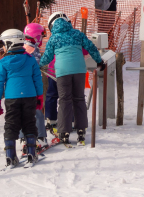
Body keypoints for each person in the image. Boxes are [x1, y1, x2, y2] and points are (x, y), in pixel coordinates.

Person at [40, 13, 105, 145]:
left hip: (62, 71)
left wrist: (38, 65)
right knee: (79, 99)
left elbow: (47, 57)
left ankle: (64, 132)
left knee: (64, 100)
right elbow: (91, 47)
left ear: (52, 26)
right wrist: (99, 61)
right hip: (79, 70)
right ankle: (81, 130)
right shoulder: (77, 34)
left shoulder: (54, 38)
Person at [0, 29, 43, 166]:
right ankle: (32, 153)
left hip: (12, 97)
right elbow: (37, 79)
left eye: (4, 44)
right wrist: (39, 96)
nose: (3, 47)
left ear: (10, 43)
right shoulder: (30, 59)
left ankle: (10, 156)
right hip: (29, 96)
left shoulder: (3, 62)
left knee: (11, 124)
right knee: (29, 123)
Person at [23, 23, 48, 151]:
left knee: (23, 112)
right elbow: (36, 66)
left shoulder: (22, 46)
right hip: (31, 86)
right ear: (37, 36)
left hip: (21, 87)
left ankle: (24, 138)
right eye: (41, 37)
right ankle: (40, 137)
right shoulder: (33, 49)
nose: (42, 40)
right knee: (37, 111)